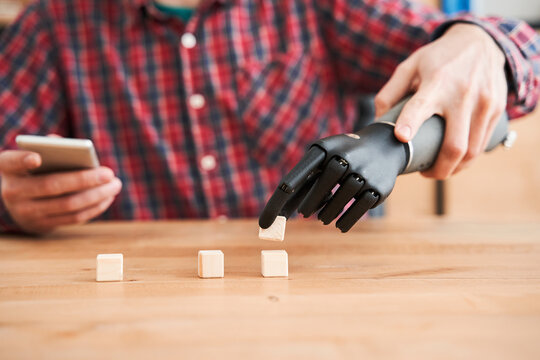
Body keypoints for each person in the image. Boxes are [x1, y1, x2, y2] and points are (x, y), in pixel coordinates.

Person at [0, 0, 538, 235]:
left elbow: (514, 62)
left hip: (327, 299)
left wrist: (480, 43)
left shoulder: (317, 5)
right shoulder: (52, 25)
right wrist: (7, 202)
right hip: (140, 311)